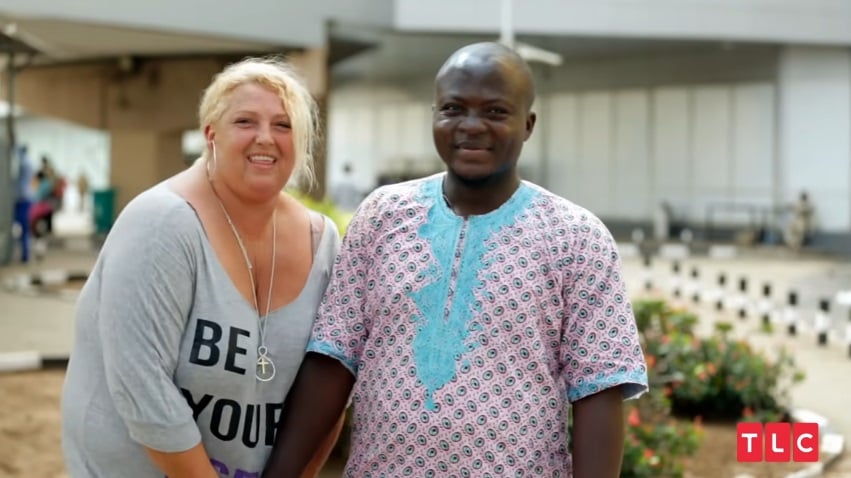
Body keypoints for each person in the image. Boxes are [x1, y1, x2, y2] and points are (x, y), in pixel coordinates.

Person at [264, 42, 649, 478]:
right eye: (453, 108)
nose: (471, 126)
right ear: (434, 115)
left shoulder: (577, 238)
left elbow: (598, 392)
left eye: (495, 112)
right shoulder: (382, 216)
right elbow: (332, 361)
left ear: (528, 124)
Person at [61, 56, 344, 478]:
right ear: (210, 134)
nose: (265, 138)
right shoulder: (162, 223)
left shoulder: (320, 242)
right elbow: (143, 389)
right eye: (245, 122)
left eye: (283, 125)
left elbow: (329, 385)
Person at [13, 144, 34, 262]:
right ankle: (25, 254)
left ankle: (25, 255)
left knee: (20, 228)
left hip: (21, 199)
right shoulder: (30, 162)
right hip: (26, 198)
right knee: (24, 229)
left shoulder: (22, 163)